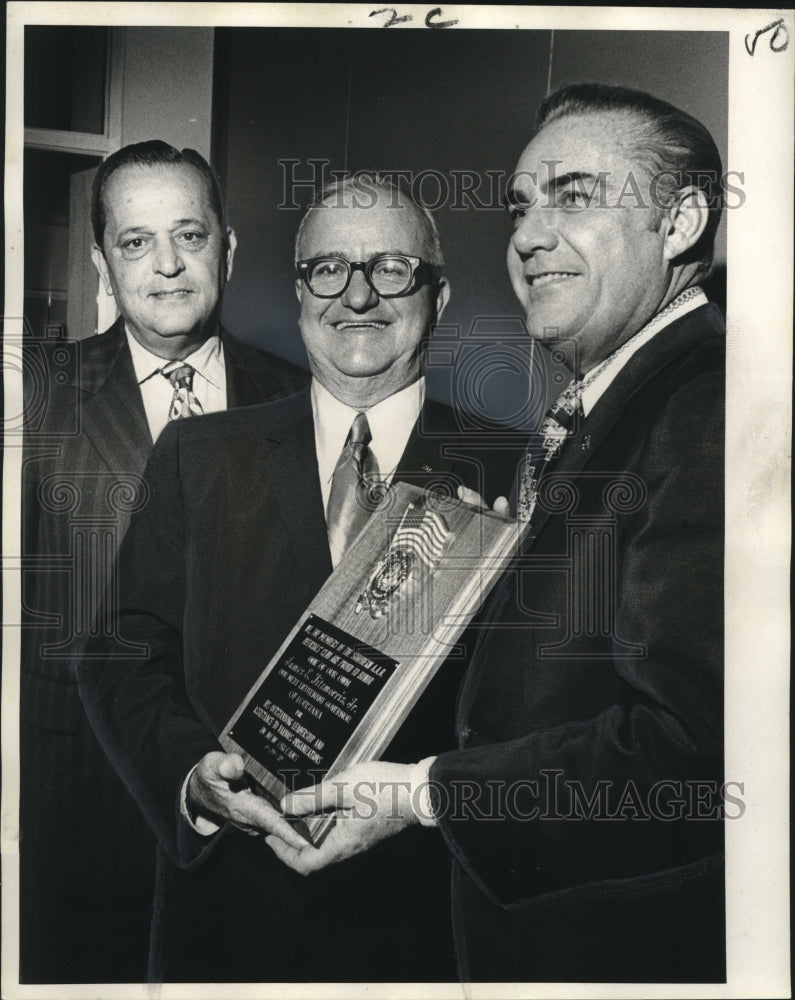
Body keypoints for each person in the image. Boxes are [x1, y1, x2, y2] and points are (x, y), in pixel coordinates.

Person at [269, 84, 727, 983]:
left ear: (680, 224)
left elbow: (693, 753)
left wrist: (425, 792)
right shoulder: (615, 405)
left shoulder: (707, 404)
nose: (526, 235)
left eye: (575, 195)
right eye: (522, 204)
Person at [77, 174, 520, 982]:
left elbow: (541, 718)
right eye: (327, 269)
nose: (357, 295)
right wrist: (190, 780)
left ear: (439, 293)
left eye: (390, 269)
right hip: (230, 927)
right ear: (297, 290)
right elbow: (123, 653)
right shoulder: (198, 455)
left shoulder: (512, 472)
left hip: (425, 929)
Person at [20, 140, 308, 983]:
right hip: (79, 803)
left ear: (228, 246)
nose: (170, 265)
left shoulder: (294, 396)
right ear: (103, 259)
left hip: (253, 814)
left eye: (189, 234)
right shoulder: (36, 398)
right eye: (137, 241)